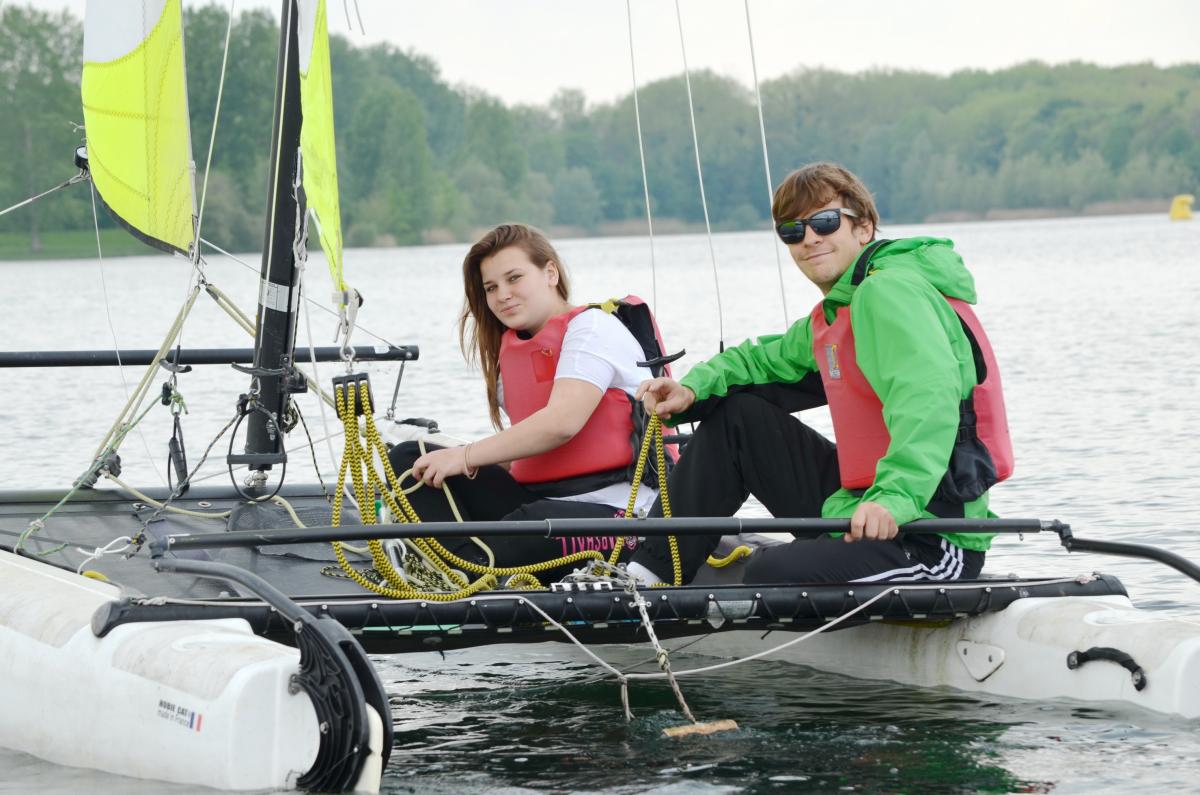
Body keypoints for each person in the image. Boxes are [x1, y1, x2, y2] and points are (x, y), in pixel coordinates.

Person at [627, 161, 1013, 586]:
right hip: (863, 507)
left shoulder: (889, 291)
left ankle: (653, 579)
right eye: (792, 230)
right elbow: (759, 360)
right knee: (739, 420)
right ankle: (646, 576)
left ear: (863, 228)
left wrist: (893, 499)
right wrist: (690, 390)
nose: (810, 238)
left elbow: (929, 401)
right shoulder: (841, 309)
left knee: (769, 571)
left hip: (930, 535)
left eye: (825, 222)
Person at [388, 223, 669, 579]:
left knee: (532, 524)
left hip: (620, 516)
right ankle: (464, 565)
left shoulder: (593, 329)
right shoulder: (512, 351)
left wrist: (465, 456)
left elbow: (561, 424)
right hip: (540, 500)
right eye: (491, 288)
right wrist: (451, 460)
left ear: (550, 273)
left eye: (514, 278)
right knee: (411, 459)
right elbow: (530, 456)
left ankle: (468, 570)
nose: (502, 295)